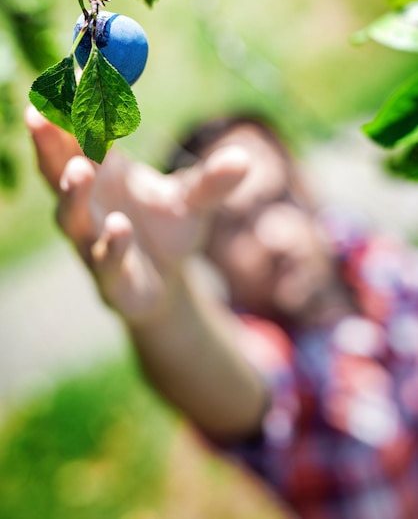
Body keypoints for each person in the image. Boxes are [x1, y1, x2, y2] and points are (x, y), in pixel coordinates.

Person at [25, 105, 418, 519]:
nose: (275, 239)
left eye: (277, 197)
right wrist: (163, 303)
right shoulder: (277, 358)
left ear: (302, 185)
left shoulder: (363, 252)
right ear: (203, 249)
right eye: (233, 226)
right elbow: (219, 375)